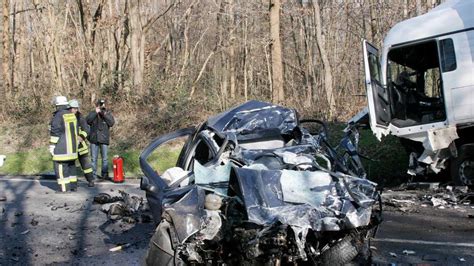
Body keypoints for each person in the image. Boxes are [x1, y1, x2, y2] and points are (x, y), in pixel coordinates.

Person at [49, 96, 79, 192]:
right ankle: (73, 186)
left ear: (58, 106)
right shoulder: (71, 114)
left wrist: (52, 145)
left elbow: (56, 131)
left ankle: (64, 188)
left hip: (62, 148)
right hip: (72, 148)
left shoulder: (58, 115)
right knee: (71, 166)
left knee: (60, 166)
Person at [69, 99, 95, 187]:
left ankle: (91, 180)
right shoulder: (66, 117)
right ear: (69, 108)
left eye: (76, 108)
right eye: (73, 108)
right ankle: (73, 183)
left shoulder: (80, 118)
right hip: (70, 146)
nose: (75, 110)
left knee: (86, 165)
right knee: (71, 165)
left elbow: (86, 129)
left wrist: (81, 136)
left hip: (81, 146)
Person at [86, 99, 115, 180]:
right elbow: (87, 121)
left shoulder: (107, 113)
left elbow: (111, 123)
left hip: (104, 138)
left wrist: (104, 114)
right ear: (97, 105)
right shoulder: (93, 113)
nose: (101, 106)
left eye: (103, 104)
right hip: (94, 139)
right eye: (100, 104)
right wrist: (96, 112)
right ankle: (93, 175)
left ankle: (104, 175)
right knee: (93, 159)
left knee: (105, 158)